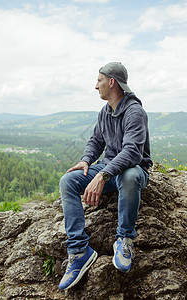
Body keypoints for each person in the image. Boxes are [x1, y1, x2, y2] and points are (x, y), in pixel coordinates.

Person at [59, 62, 153, 290]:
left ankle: (124, 239)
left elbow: (132, 152)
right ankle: (79, 251)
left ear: (112, 82)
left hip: (133, 169)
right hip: (108, 169)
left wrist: (102, 175)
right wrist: (86, 160)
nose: (95, 86)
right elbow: (96, 141)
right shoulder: (105, 111)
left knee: (129, 176)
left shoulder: (135, 112)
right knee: (68, 181)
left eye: (99, 80)